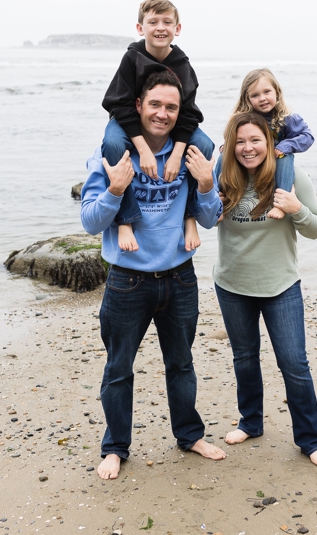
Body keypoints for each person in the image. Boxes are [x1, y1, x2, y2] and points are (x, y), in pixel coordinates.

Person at [80, 70, 226, 480]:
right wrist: (114, 191)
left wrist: (205, 184)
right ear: (139, 107)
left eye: (171, 108)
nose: (162, 114)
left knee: (181, 364)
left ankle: (190, 436)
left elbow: (212, 220)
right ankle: (115, 448)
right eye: (155, 105)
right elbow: (90, 223)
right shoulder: (112, 154)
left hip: (180, 278)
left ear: (181, 114)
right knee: (118, 368)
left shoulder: (192, 154)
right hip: (128, 281)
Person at [211, 112, 317, 467]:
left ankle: (310, 439)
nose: (248, 148)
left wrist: (295, 209)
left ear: (270, 143)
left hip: (281, 286)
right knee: (244, 358)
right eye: (241, 141)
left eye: (256, 140)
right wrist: (207, 209)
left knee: (294, 363)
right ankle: (251, 422)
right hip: (232, 285)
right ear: (231, 145)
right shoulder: (224, 177)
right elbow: (201, 217)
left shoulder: (290, 178)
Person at [100, 0, 216, 253]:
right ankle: (125, 220)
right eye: (153, 22)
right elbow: (118, 104)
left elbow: (187, 113)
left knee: (204, 145)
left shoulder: (182, 64)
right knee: (113, 142)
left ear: (178, 28)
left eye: (167, 22)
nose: (160, 27)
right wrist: (142, 149)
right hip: (129, 121)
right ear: (141, 28)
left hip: (172, 122)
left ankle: (190, 216)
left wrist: (177, 155)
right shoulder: (132, 58)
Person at [228, 69, 314, 219]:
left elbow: (307, 137)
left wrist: (285, 146)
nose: (262, 98)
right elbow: (235, 138)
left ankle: (281, 203)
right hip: (253, 159)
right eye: (255, 95)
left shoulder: (287, 117)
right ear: (247, 99)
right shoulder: (244, 119)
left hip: (276, 159)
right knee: (224, 155)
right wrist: (228, 146)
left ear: (277, 92)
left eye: (267, 92)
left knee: (285, 157)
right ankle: (217, 197)